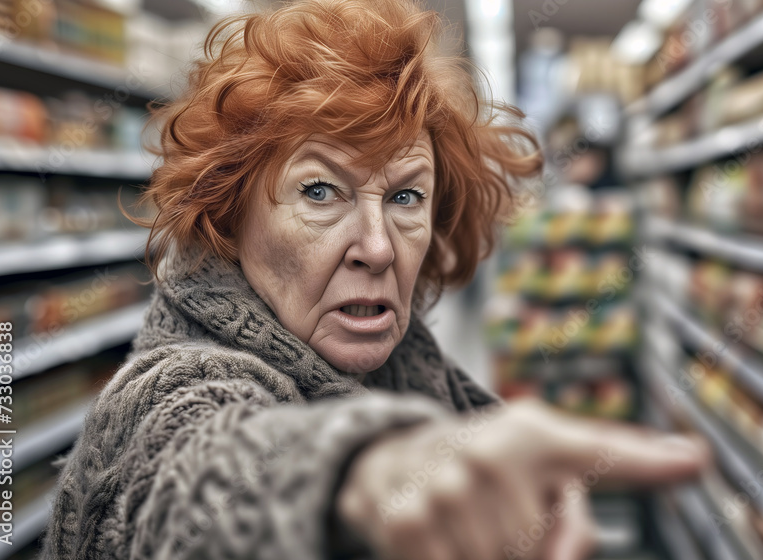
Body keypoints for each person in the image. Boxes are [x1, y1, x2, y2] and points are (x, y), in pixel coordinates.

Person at [39, 1, 707, 558]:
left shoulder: (415, 369)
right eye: (321, 190)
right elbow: (191, 478)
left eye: (407, 198)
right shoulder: (161, 396)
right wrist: (361, 474)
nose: (379, 247)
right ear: (232, 215)